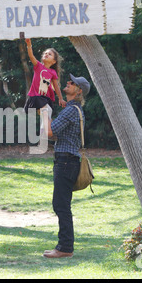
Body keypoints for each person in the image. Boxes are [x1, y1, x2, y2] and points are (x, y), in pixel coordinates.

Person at [43, 73, 91, 258]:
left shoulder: (71, 111)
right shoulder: (73, 110)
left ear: (78, 91)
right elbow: (56, 132)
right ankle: (64, 246)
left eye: (73, 83)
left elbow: (49, 132)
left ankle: (64, 248)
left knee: (61, 205)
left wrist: (46, 111)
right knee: (62, 205)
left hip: (65, 162)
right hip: (69, 161)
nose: (68, 82)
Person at [24, 39, 66, 137]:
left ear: (54, 61)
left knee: (48, 111)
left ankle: (49, 131)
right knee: (46, 110)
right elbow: (31, 56)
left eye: (49, 54)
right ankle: (46, 132)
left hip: (45, 98)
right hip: (36, 96)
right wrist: (29, 45)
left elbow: (56, 86)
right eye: (45, 53)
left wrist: (60, 98)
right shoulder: (38, 66)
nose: (46, 54)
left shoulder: (52, 72)